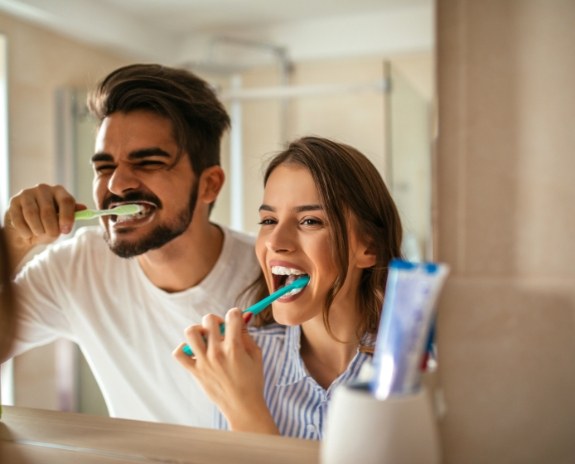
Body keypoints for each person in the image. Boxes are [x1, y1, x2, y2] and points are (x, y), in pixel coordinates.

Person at [2, 64, 260, 426]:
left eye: (149, 162)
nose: (117, 184)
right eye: (104, 167)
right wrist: (12, 243)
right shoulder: (79, 264)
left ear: (209, 185)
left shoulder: (270, 279)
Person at [174, 136, 403, 439]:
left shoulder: (415, 367)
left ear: (369, 247)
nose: (275, 242)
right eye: (268, 220)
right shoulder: (238, 364)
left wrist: (246, 411)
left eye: (310, 221)